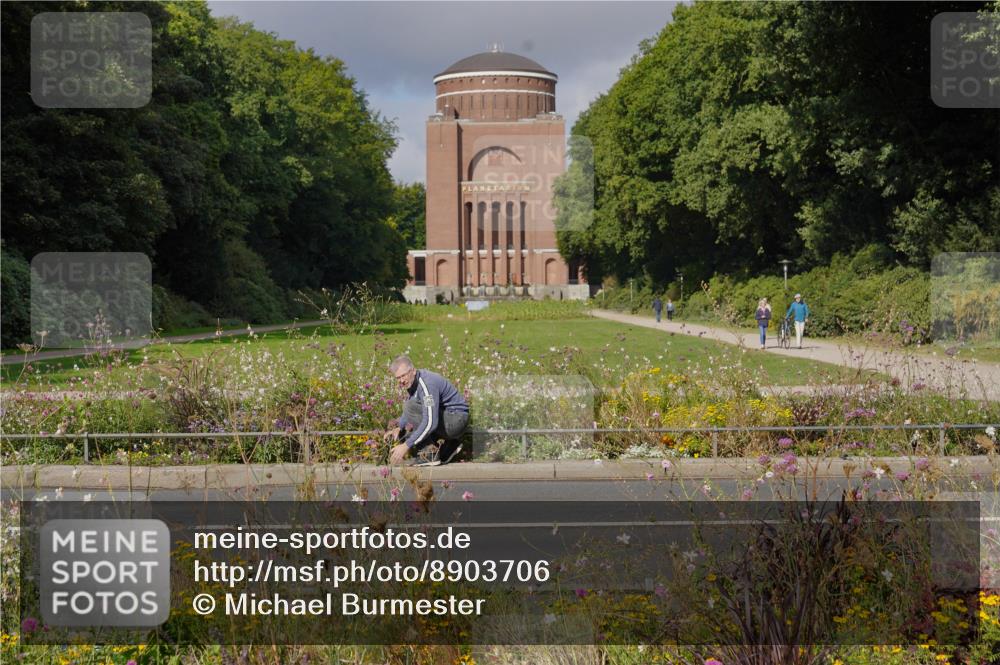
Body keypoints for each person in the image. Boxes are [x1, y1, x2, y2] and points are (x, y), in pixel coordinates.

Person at [383, 355, 469, 466]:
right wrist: (399, 427)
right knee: (411, 407)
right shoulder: (414, 382)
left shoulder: (427, 384)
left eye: (403, 375)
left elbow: (430, 422)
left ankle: (430, 454)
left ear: (413, 371)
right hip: (451, 417)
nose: (401, 381)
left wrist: (406, 446)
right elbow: (415, 409)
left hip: (456, 419)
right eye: (398, 378)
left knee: (410, 407)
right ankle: (449, 444)